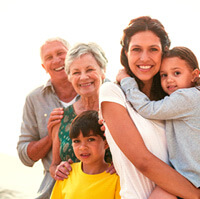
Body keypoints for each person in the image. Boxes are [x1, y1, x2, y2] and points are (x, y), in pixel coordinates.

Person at [99, 16, 200, 198]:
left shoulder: (171, 99)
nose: (144, 58)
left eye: (153, 49)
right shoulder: (113, 93)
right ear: (126, 53)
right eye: (136, 49)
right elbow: (143, 161)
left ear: (164, 53)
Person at [117, 46, 200, 198]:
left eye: (177, 73)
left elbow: (148, 109)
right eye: (163, 75)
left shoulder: (187, 97)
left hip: (192, 178)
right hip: (187, 176)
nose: (169, 79)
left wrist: (126, 81)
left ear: (195, 75)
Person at [17, 37, 77, 199]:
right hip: (54, 189)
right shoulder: (34, 99)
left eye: (60, 53)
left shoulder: (96, 87)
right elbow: (25, 156)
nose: (56, 60)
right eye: (49, 58)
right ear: (44, 67)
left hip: (99, 183)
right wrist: (51, 136)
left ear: (72, 55)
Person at [49, 42, 112, 181]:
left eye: (89, 70)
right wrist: (59, 170)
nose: (83, 77)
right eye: (76, 72)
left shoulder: (117, 111)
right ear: (70, 77)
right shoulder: (61, 117)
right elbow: (53, 165)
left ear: (103, 71)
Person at [50, 110, 121, 199]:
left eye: (91, 139)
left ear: (106, 143)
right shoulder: (66, 174)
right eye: (76, 141)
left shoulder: (117, 178)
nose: (82, 147)